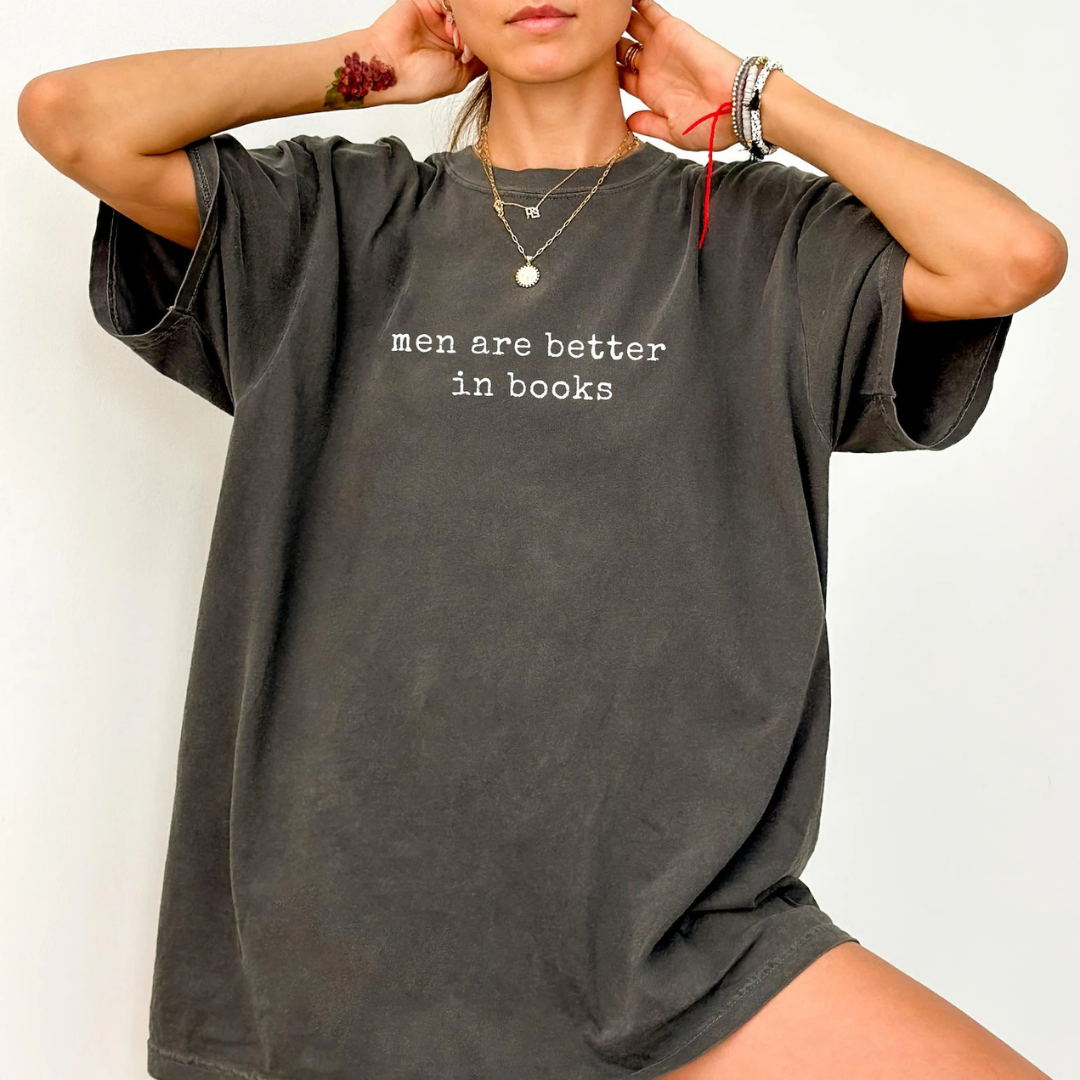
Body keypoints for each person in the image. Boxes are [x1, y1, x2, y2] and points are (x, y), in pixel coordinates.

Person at [17, 2, 1066, 1078]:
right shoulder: (328, 216)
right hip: (354, 950)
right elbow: (70, 118)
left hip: (684, 949)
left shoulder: (765, 237)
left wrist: (755, 98)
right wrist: (361, 66)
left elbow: (1010, 257)